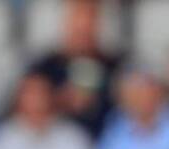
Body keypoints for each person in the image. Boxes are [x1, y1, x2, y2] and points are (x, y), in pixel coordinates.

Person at [29, 0, 122, 140]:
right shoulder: (43, 68)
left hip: (106, 147)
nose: (83, 28)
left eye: (90, 20)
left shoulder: (116, 67)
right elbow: (19, 111)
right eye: (77, 20)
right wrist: (56, 101)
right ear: (65, 24)